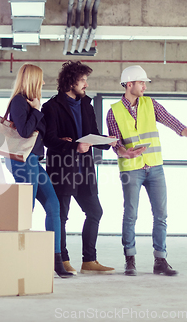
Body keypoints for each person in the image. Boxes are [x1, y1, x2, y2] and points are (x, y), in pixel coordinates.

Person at [106, 65, 187, 276]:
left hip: (154, 168)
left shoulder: (151, 104)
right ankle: (130, 260)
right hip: (131, 169)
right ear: (129, 84)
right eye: (141, 83)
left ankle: (160, 260)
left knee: (161, 214)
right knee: (131, 214)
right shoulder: (114, 111)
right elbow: (114, 142)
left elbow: (173, 122)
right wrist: (125, 153)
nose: (145, 86)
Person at [42, 61, 117, 275]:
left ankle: (89, 261)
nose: (86, 84)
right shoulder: (51, 107)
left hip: (84, 170)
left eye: (86, 80)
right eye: (83, 80)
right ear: (71, 81)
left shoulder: (86, 104)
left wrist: (109, 141)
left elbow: (92, 133)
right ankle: (62, 259)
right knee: (62, 216)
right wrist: (74, 145)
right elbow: (49, 140)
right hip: (63, 169)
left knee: (95, 211)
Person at [5, 63, 73, 278]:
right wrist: (36, 109)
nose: (44, 83)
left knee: (54, 205)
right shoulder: (19, 101)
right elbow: (25, 132)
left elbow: (38, 134)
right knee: (27, 209)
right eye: (41, 79)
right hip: (23, 161)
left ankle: (56, 259)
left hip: (34, 161)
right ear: (32, 79)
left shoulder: (31, 103)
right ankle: (15, 257)